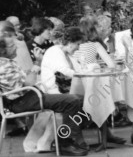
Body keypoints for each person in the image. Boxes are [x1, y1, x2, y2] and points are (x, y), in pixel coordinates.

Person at [0, 26, 90, 156]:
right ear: (2, 49)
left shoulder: (8, 62)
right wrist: (36, 65)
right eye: (12, 46)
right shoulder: (4, 65)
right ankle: (65, 142)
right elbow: (28, 83)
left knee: (79, 99)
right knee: (73, 100)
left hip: (29, 97)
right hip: (24, 101)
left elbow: (23, 80)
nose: (16, 48)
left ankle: (68, 139)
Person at [40, 27, 85, 94]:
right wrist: (82, 75)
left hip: (66, 88)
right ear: (70, 42)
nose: (78, 48)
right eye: (78, 44)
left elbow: (80, 69)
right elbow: (63, 71)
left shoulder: (68, 55)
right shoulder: (54, 51)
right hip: (53, 90)